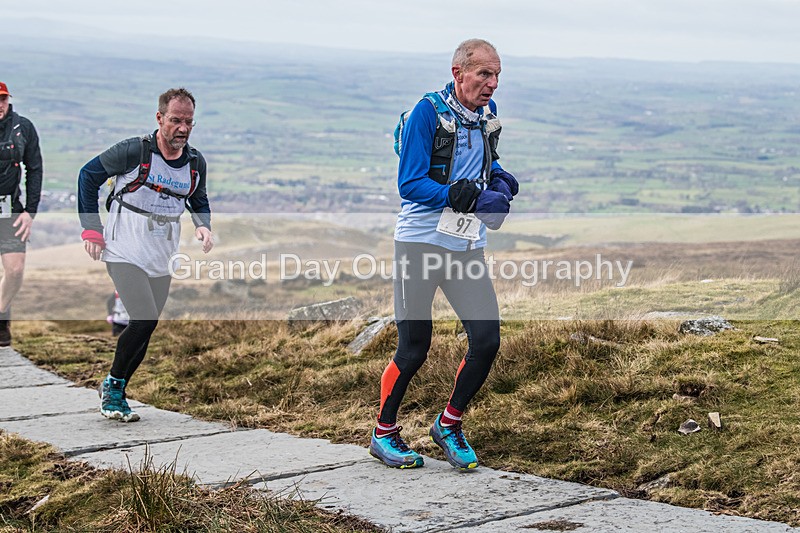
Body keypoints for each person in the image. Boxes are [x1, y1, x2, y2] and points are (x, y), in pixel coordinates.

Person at [369, 39, 519, 470]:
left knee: (487, 339)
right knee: (415, 346)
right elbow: (410, 184)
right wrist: (461, 196)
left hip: (466, 245)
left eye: (496, 76)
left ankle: (448, 425)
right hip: (419, 243)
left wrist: (503, 184)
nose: (492, 85)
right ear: (458, 73)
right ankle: (384, 434)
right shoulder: (426, 113)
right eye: (483, 75)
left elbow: (485, 168)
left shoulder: (485, 117)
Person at [78, 88, 213, 422]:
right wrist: (91, 230)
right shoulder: (133, 151)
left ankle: (117, 389)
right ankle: (113, 387)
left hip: (161, 255)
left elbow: (198, 199)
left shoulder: (195, 163)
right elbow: (88, 176)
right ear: (159, 118)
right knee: (144, 319)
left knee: (146, 326)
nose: (182, 128)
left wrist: (203, 226)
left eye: (188, 122)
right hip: (123, 249)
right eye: (175, 120)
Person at [0, 82, 43, 347]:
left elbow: (35, 168)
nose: (0, 105)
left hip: (10, 210)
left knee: (15, 270)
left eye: (3, 99)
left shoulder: (23, 127)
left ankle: (1, 316)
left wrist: (30, 211)